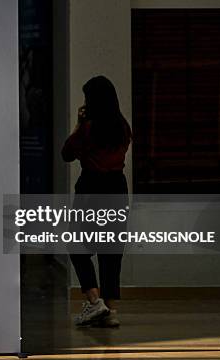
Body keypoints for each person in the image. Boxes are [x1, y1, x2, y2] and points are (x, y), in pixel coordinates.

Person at [61, 75, 132, 328]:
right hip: (117, 188)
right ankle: (111, 312)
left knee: (76, 244)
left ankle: (94, 302)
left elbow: (67, 154)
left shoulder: (89, 128)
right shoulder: (122, 126)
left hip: (91, 188)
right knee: (111, 251)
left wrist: (79, 125)